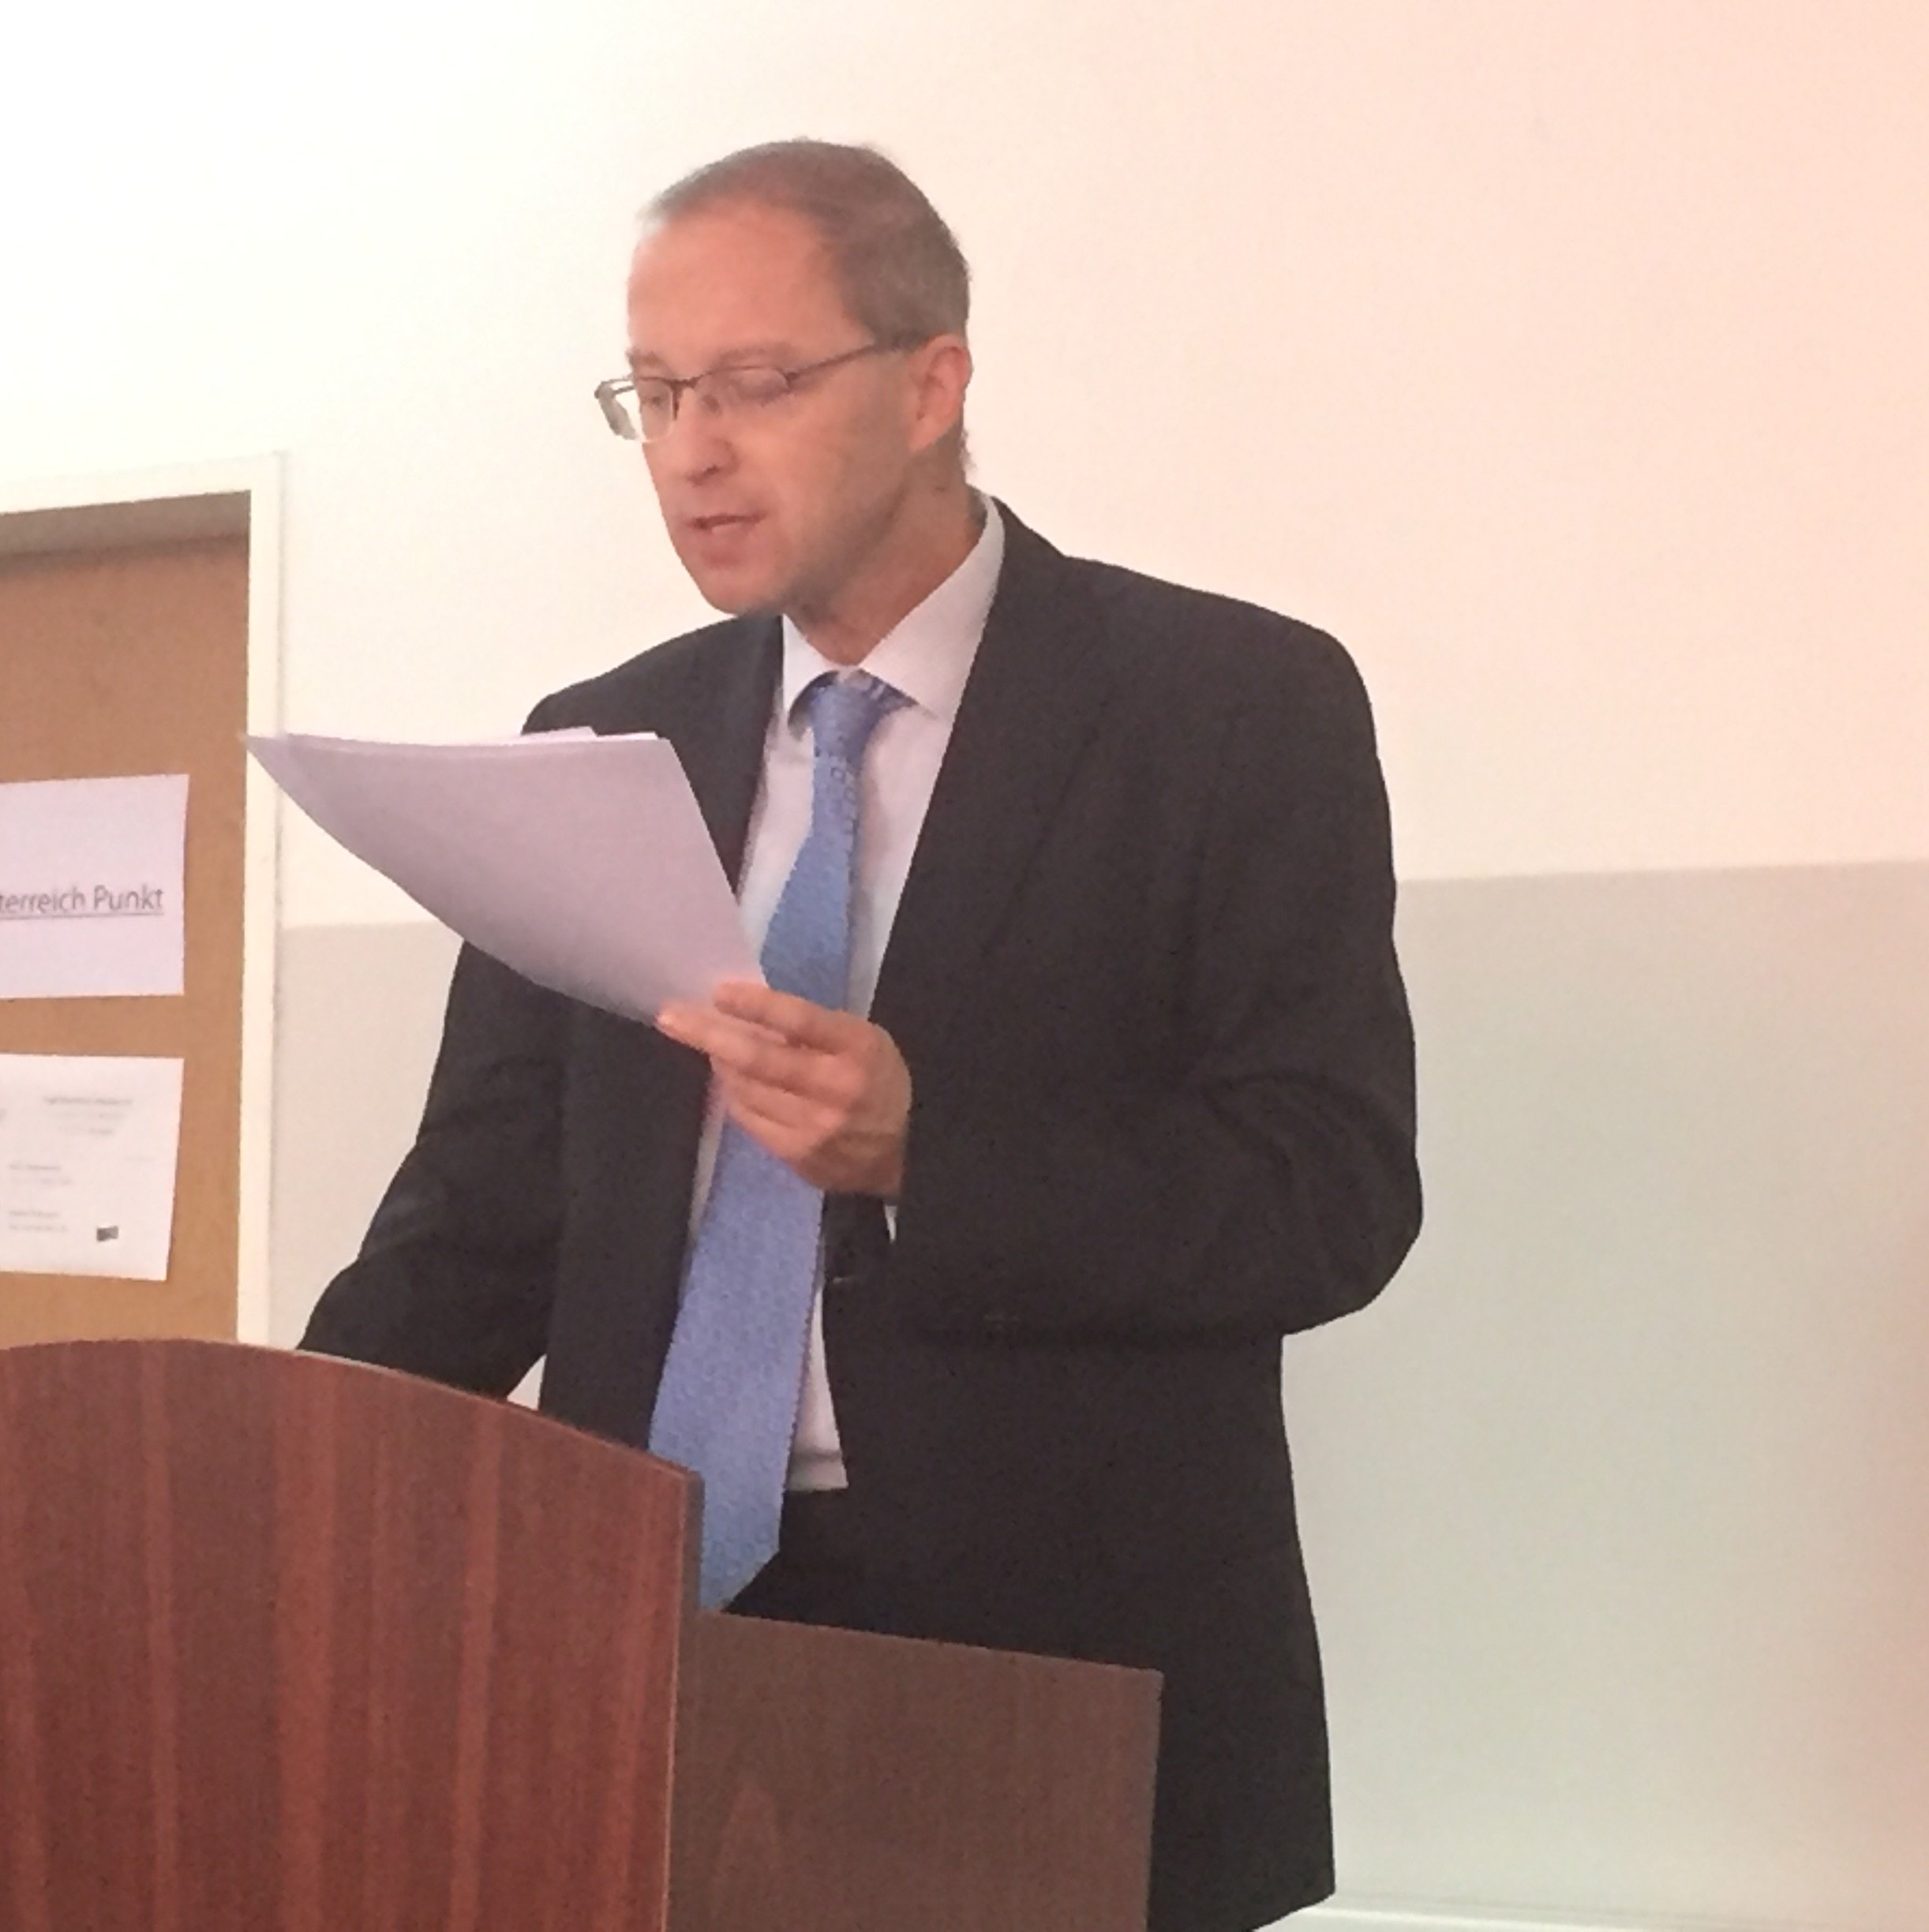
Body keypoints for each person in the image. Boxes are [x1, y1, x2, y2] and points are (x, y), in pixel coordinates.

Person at [303, 138, 1421, 1932]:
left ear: (929, 385)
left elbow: (1328, 1192)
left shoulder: (1228, 708)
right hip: (643, 1631)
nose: (692, 450)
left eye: (756, 383)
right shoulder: (603, 738)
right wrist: (273, 1468)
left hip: (1052, 1669)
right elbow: (487, 1209)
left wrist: (928, 1154)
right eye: (656, 392)